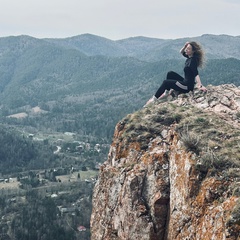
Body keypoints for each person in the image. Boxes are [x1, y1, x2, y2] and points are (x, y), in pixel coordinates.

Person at [145, 41, 207, 106]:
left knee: (166, 82)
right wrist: (185, 46)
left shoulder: (192, 61)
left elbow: (196, 73)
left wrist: (200, 86)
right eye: (186, 48)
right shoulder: (190, 57)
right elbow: (181, 52)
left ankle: (154, 99)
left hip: (187, 87)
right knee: (170, 73)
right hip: (185, 82)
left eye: (188, 49)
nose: (186, 49)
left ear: (193, 51)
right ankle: (166, 92)